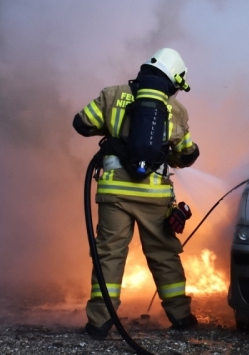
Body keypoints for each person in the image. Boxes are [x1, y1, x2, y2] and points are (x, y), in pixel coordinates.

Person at [73, 48, 201, 338]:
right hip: (154, 198)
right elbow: (185, 155)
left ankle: (99, 322)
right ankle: (181, 317)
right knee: (164, 254)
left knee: (109, 255)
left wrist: (114, 134)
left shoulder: (112, 95)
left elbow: (81, 123)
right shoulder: (176, 110)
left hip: (113, 195)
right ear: (172, 80)